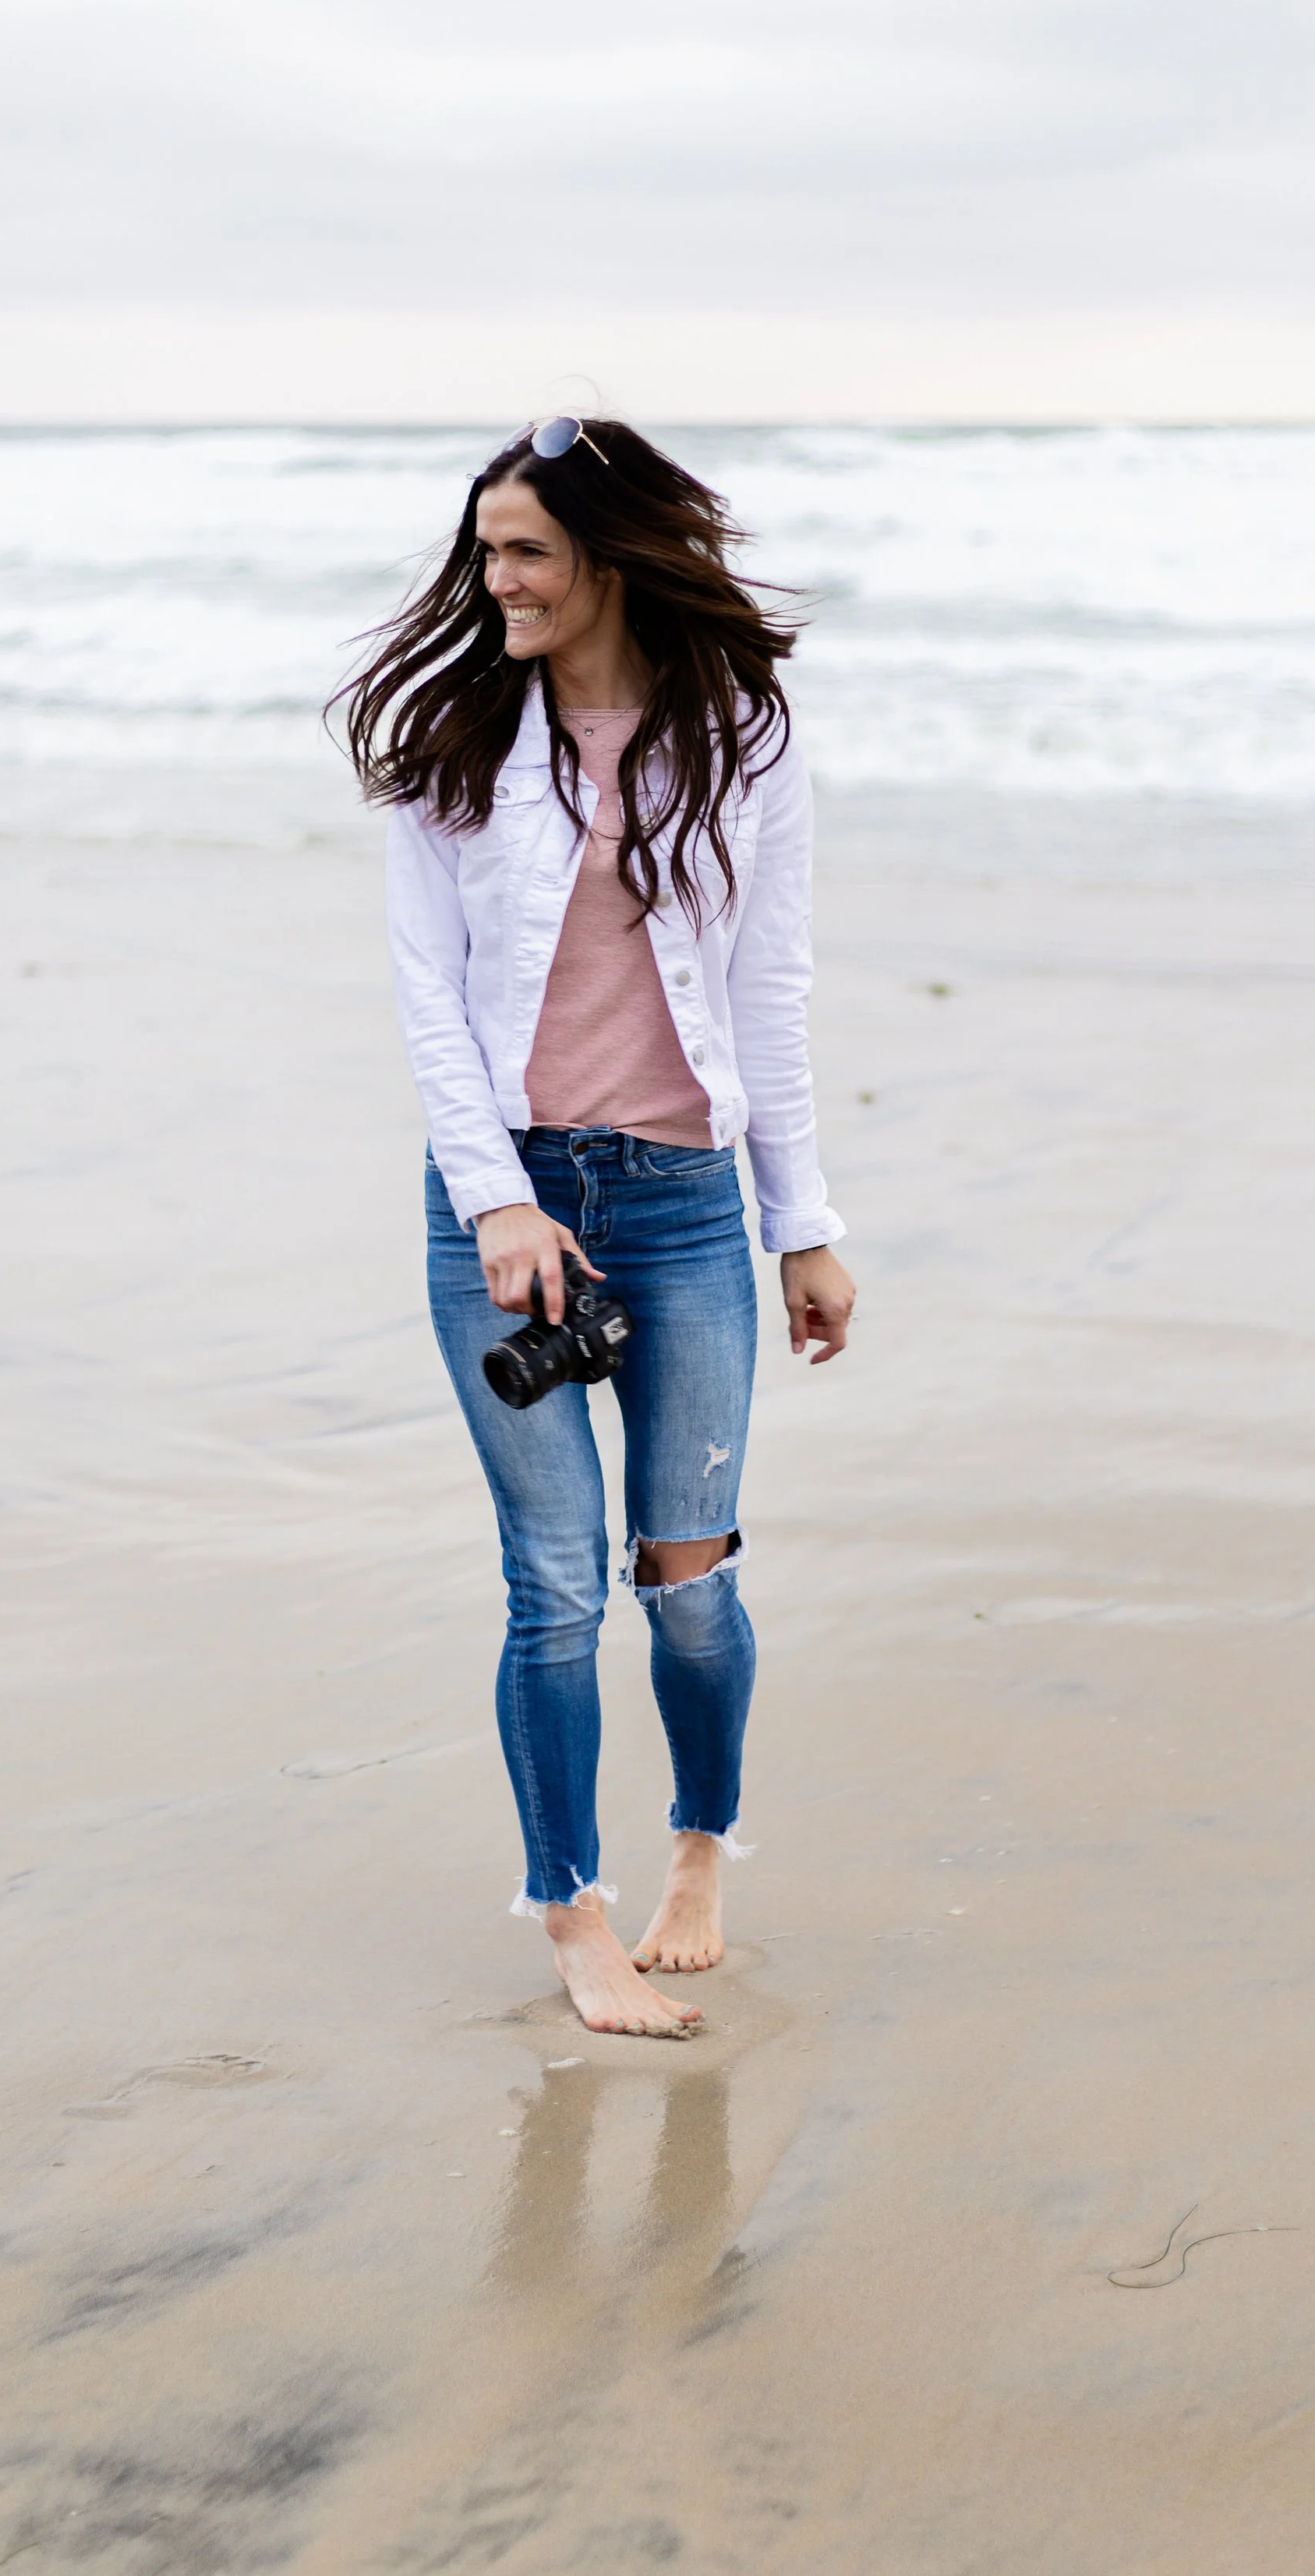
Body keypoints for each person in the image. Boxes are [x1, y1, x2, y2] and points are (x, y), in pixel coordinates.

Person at [338, 418, 855, 2037]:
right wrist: (495, 1195)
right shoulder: (453, 744)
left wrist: (802, 1221)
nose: (494, 579)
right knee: (549, 1578)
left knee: (684, 1577)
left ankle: (699, 1848)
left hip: (685, 1201)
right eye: (482, 551)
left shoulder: (743, 739)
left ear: (609, 557)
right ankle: (570, 1907)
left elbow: (768, 994)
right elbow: (428, 995)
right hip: (503, 1204)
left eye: (525, 553)